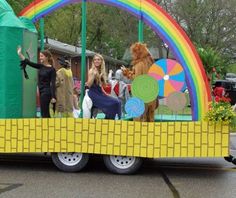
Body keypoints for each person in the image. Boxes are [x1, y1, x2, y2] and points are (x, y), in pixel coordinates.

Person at [17, 46, 56, 118]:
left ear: (47, 57)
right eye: (39, 56)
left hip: (47, 92)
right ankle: (47, 127)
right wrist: (19, 54)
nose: (40, 57)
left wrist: (53, 97)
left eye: (42, 56)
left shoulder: (52, 69)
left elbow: (53, 83)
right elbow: (28, 62)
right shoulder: (40, 66)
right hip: (41, 91)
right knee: (44, 112)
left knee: (45, 112)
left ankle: (47, 127)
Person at [84, 54, 121, 119]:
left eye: (98, 59)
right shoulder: (92, 70)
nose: (96, 61)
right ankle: (108, 120)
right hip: (93, 93)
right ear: (93, 61)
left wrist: (105, 93)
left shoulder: (101, 71)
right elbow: (88, 84)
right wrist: (93, 76)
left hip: (100, 92)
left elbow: (101, 86)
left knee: (118, 102)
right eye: (95, 60)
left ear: (101, 61)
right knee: (115, 102)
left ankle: (109, 119)